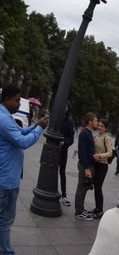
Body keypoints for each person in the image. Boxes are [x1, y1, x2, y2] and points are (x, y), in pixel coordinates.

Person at [0, 84, 48, 254]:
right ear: (6, 99)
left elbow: (20, 131)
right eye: (17, 100)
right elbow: (22, 141)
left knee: (4, 219)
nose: (19, 104)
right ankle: (5, 251)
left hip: (8, 177)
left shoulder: (5, 116)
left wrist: (35, 126)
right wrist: (40, 129)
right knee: (5, 219)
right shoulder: (3, 119)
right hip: (6, 180)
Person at [92, 119, 113, 219]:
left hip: (102, 165)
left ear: (106, 128)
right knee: (96, 187)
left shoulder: (106, 138)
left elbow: (110, 153)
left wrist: (100, 156)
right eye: (99, 125)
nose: (99, 127)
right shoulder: (96, 136)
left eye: (102, 126)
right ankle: (97, 208)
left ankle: (100, 210)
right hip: (95, 164)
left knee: (98, 187)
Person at [59, 100, 74, 207]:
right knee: (51, 171)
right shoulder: (56, 118)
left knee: (62, 172)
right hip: (53, 149)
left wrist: (65, 143)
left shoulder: (69, 122)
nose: (64, 107)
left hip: (63, 150)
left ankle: (64, 195)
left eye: (66, 106)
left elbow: (71, 139)